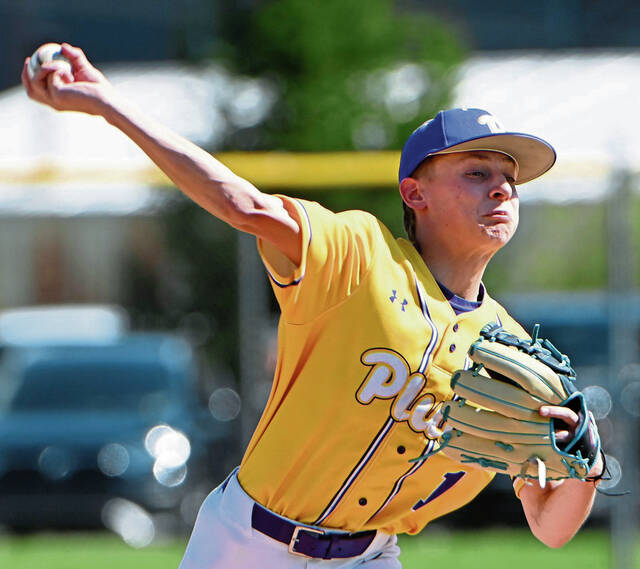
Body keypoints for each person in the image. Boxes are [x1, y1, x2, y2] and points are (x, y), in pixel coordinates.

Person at [23, 43, 603, 568]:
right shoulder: (358, 253)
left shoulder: (507, 353)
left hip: (368, 556)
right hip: (248, 543)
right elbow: (241, 204)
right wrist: (107, 105)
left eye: (510, 179)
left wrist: (584, 465)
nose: (501, 188)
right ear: (414, 194)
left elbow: (550, 528)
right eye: (477, 173)